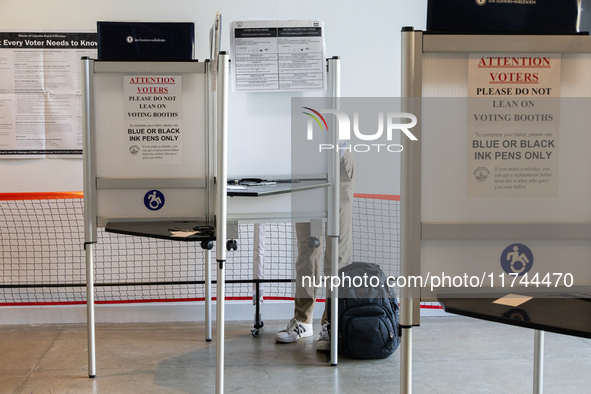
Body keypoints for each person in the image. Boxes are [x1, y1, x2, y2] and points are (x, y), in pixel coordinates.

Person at [275, 150, 355, 351]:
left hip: (338, 157)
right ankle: (303, 320)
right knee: (307, 246)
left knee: (337, 250)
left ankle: (332, 324)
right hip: (305, 162)